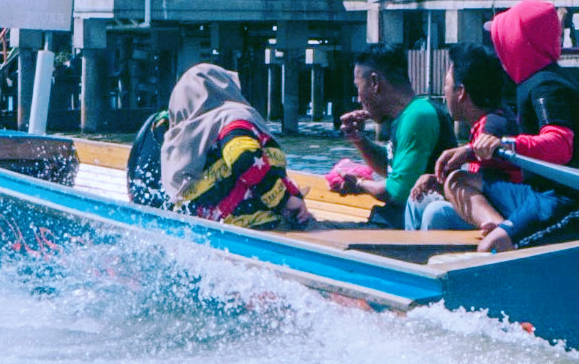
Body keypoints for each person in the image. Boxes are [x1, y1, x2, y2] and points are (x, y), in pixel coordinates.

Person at [438, 0, 579, 252]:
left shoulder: (547, 87)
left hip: (568, 201)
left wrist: (506, 143)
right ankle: (504, 227)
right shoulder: (535, 82)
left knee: (490, 249)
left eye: (503, 40)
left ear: (519, 42)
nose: (499, 50)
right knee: (457, 180)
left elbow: (560, 145)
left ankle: (504, 236)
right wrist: (468, 151)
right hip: (537, 192)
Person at [159, 63, 313, 231]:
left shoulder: (180, 137)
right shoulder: (232, 119)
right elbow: (244, 157)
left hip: (205, 227)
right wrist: (285, 200)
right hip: (256, 225)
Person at [406, 43, 528, 232]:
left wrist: (463, 158)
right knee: (418, 200)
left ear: (461, 92)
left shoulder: (494, 126)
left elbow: (493, 186)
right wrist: (440, 184)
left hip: (505, 213)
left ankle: (426, 258)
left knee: (434, 211)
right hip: (494, 204)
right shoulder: (489, 120)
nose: (444, 93)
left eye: (446, 85)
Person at [331, 47, 449, 228]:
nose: (358, 98)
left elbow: (398, 192)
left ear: (374, 82)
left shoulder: (418, 116)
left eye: (358, 87)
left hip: (407, 226)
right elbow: (394, 170)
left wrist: (359, 184)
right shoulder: (407, 116)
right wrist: (360, 140)